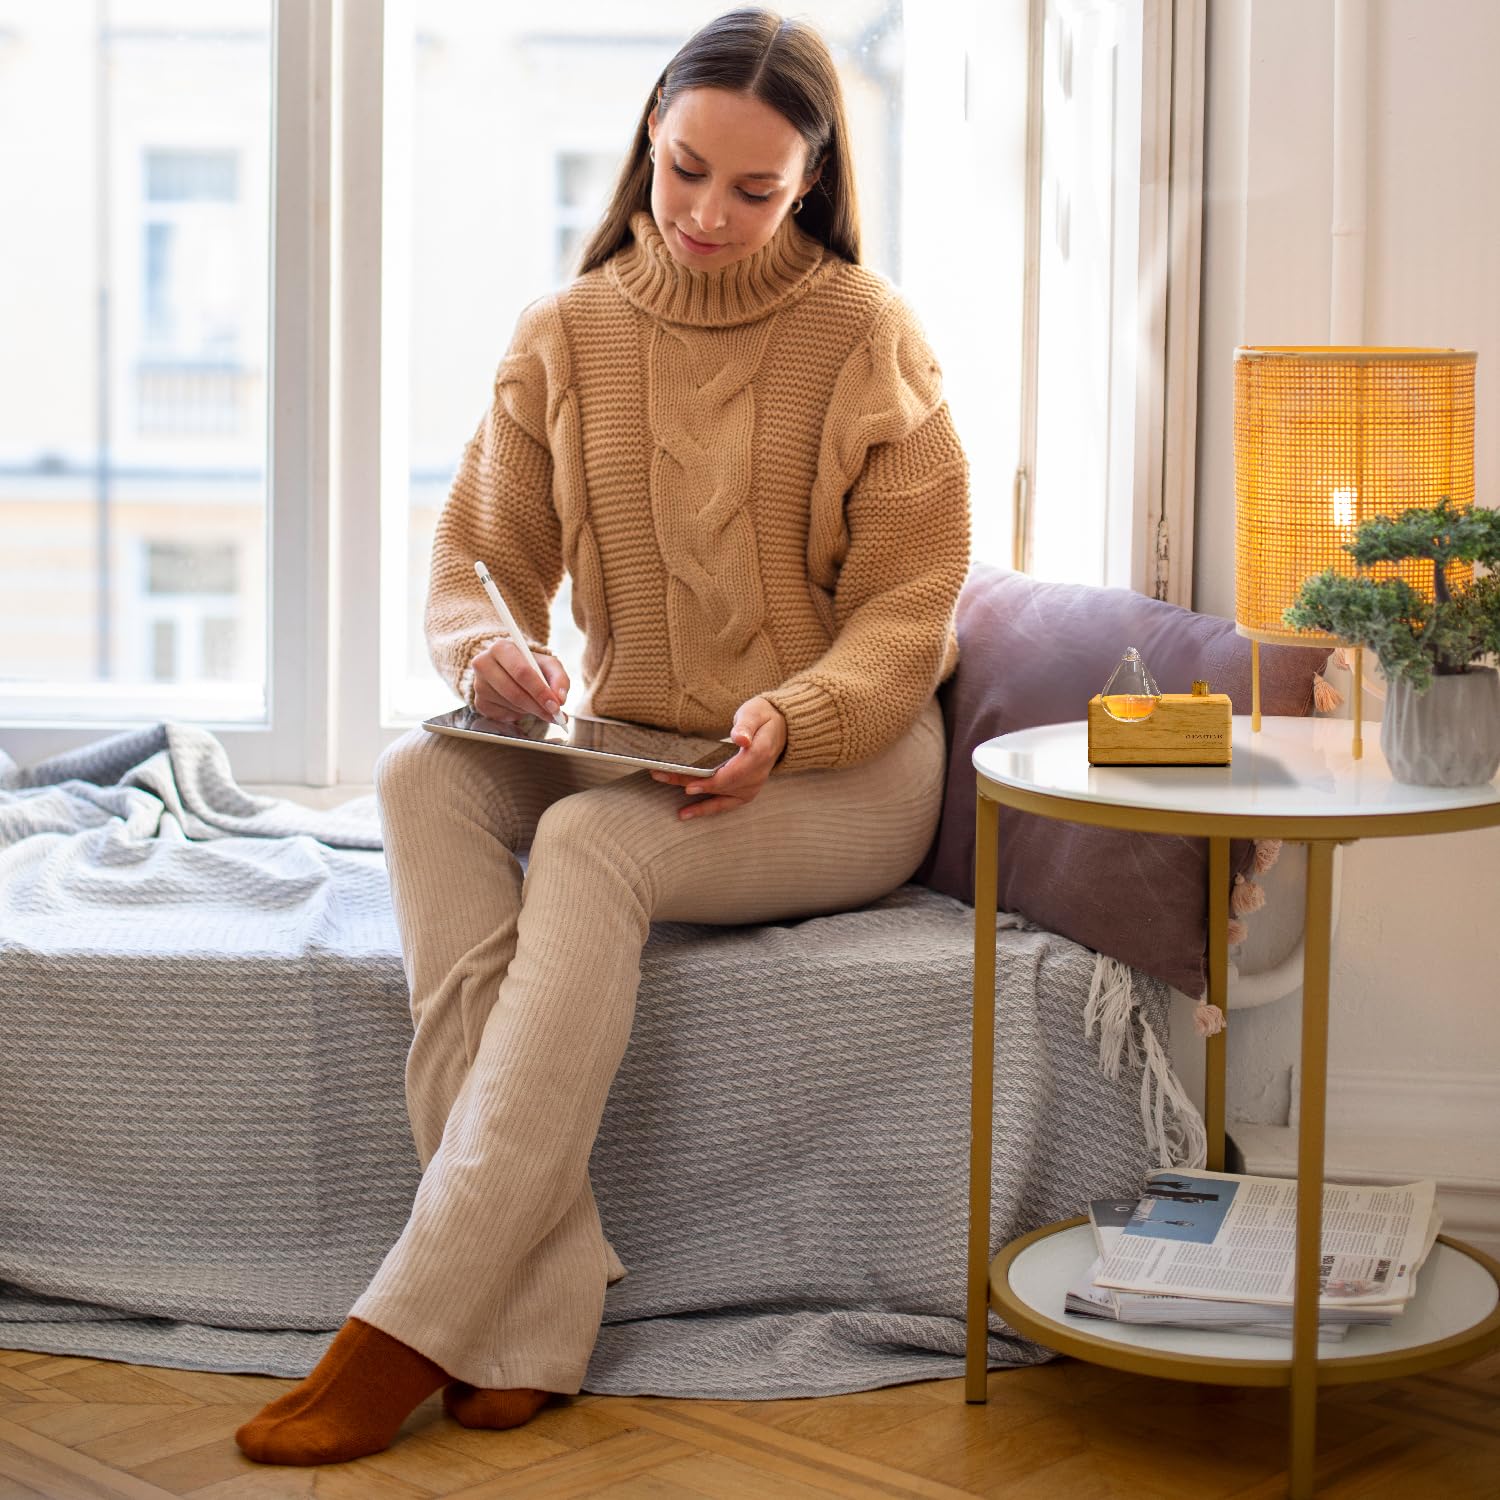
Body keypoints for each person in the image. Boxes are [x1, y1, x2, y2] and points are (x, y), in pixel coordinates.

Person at [235, 6, 969, 1466]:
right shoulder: (566, 334)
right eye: (685, 168)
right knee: (419, 775)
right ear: (650, 134)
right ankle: (528, 1307)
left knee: (586, 840)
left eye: (753, 190)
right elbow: (475, 560)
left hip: (842, 768)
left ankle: (408, 1321)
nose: (704, 213)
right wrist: (489, 648)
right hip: (640, 737)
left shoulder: (866, 335)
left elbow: (911, 608)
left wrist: (791, 714)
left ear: (810, 182)